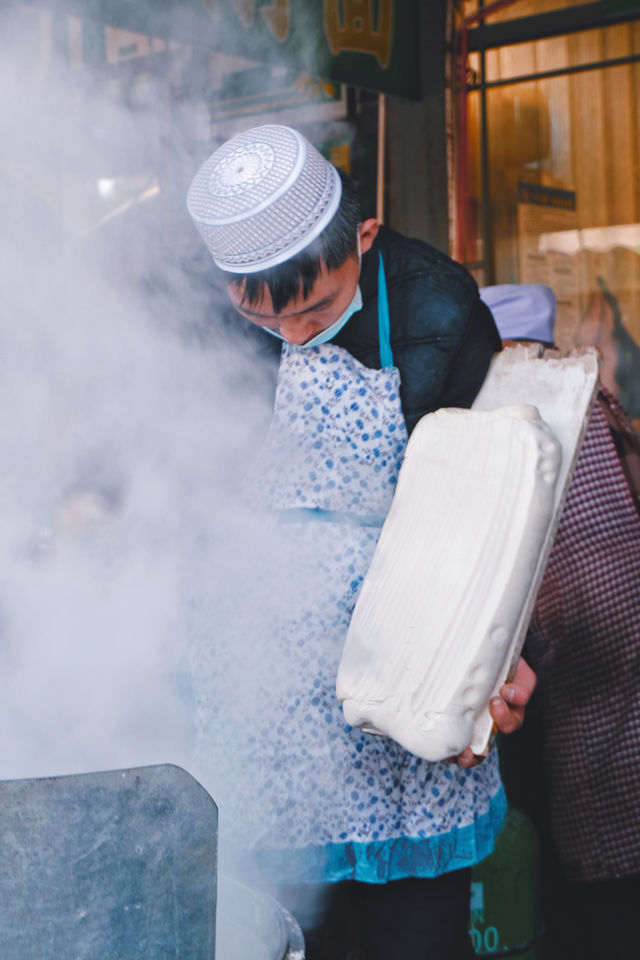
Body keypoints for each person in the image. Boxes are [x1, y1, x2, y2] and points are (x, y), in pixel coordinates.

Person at [187, 125, 535, 960]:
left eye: (312, 308)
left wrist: (497, 657)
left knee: (410, 939)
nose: (296, 336)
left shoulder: (435, 309)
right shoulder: (205, 326)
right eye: (265, 315)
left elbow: (494, 507)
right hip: (263, 714)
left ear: (365, 237)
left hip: (409, 696)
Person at [480, 282, 640, 960]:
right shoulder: (602, 410)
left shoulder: (536, 422)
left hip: (589, 689)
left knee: (600, 889)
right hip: (602, 688)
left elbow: (573, 613)